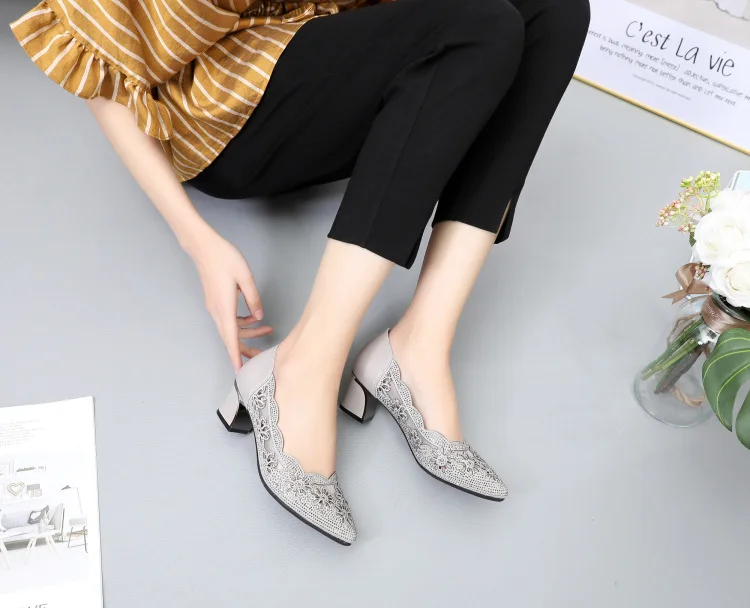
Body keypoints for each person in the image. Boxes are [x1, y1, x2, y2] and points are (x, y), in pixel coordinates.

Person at [11, 0, 590, 545]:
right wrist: (199, 242)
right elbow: (98, 53)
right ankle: (302, 368)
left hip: (328, 57)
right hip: (226, 116)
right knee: (477, 25)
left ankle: (420, 342)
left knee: (554, 8)